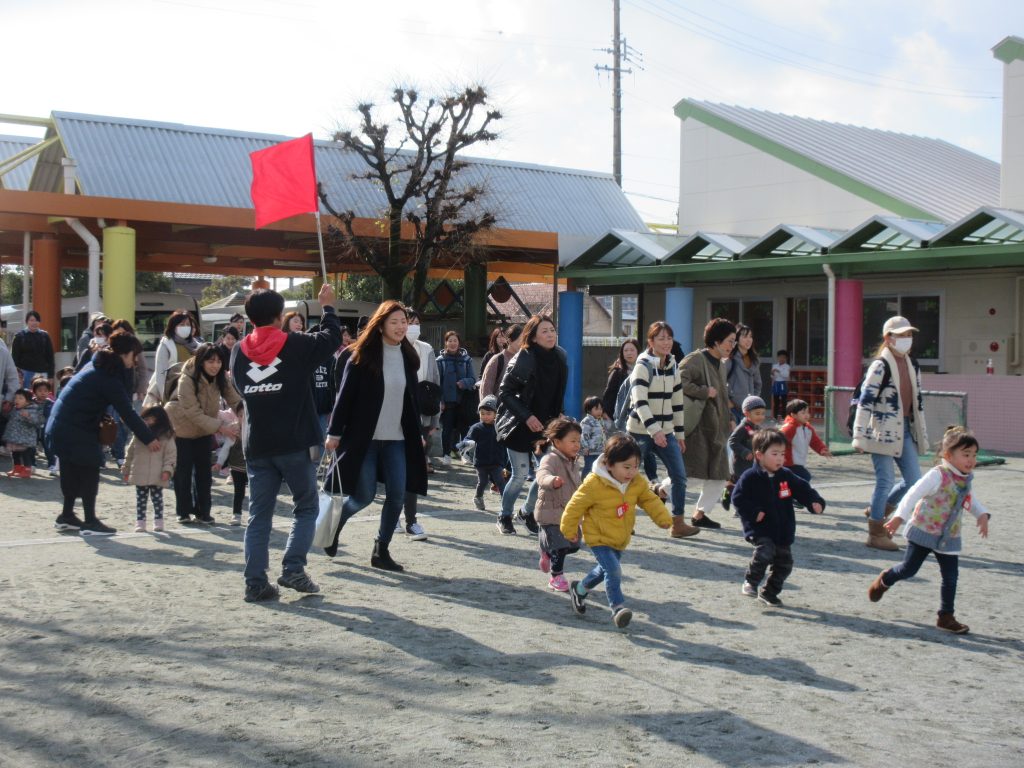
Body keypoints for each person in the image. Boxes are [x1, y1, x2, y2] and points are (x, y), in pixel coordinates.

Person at [231, 283, 342, 602]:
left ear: (251, 318)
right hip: (296, 442)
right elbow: (332, 339)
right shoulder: (295, 344)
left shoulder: (239, 350)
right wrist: (328, 307)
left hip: (258, 445)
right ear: (280, 317)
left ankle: (255, 582)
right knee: (305, 506)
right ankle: (293, 567)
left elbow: (239, 386)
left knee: (259, 514)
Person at [324, 300, 426, 573]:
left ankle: (381, 549)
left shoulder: (408, 357)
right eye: (394, 322)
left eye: (404, 322)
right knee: (364, 496)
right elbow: (344, 397)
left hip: (397, 439)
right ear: (380, 325)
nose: (401, 327)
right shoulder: (361, 355)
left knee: (397, 495)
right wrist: (334, 432)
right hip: (364, 439)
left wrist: (418, 433)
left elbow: (410, 400)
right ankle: (333, 528)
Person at [867, 427, 990, 635]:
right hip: (923, 531)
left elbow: (969, 500)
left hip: (949, 536)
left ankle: (946, 616)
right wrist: (898, 517)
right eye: (966, 455)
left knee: (951, 577)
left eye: (974, 455)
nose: (971, 460)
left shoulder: (965, 479)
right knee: (908, 569)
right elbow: (912, 494)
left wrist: (982, 514)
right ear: (948, 455)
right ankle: (886, 578)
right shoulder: (937, 475)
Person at [46, 330, 161, 535]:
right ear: (124, 354)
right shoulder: (107, 377)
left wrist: (126, 372)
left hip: (60, 425)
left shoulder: (98, 364)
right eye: (134, 356)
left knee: (71, 472)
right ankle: (90, 522)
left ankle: (67, 516)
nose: (135, 362)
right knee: (90, 470)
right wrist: (150, 438)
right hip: (75, 428)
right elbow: (128, 412)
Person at [561, 433, 673, 628]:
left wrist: (662, 518)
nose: (631, 472)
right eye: (626, 467)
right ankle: (618, 608)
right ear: (610, 464)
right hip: (598, 537)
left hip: (620, 536)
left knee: (603, 571)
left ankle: (579, 589)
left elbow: (648, 499)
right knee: (613, 570)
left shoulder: (636, 482)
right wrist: (569, 529)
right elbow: (574, 506)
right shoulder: (594, 483)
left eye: (635, 466)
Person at [852, 315, 928, 552]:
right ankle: (876, 533)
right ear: (888, 338)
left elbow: (918, 402)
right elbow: (865, 401)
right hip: (881, 430)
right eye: (902, 335)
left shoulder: (912, 364)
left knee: (915, 480)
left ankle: (879, 509)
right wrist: (859, 435)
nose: (907, 339)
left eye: (909, 335)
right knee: (884, 480)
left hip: (904, 429)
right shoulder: (880, 365)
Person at [733, 428, 825, 607]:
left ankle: (769, 593)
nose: (780, 458)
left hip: (782, 529)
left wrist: (814, 501)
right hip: (760, 527)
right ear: (759, 455)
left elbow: (804, 489)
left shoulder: (785, 475)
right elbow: (738, 498)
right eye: (774, 454)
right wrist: (753, 512)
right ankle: (751, 582)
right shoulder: (750, 477)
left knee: (785, 564)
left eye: (782, 454)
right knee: (765, 551)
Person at [495, 315, 568, 535]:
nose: (550, 334)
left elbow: (556, 393)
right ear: (533, 336)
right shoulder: (525, 357)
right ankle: (504, 515)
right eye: (544, 331)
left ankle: (526, 512)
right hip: (518, 423)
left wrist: (559, 416)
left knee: (545, 476)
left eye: (552, 330)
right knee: (519, 476)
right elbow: (505, 393)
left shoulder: (560, 356)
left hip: (546, 426)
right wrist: (527, 416)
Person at [626, 321, 697, 537]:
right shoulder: (643, 365)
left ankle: (678, 524)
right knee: (627, 477)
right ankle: (623, 521)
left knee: (679, 476)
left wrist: (679, 434)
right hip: (640, 431)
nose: (666, 342)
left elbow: (677, 402)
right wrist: (654, 431)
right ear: (651, 341)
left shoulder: (673, 364)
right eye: (661, 338)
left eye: (669, 338)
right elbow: (639, 401)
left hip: (666, 431)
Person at [165, 342, 241, 525]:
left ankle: (203, 513)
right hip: (182, 428)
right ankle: (183, 512)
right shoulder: (186, 379)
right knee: (183, 472)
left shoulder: (221, 377)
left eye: (219, 361)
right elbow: (192, 412)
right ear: (201, 362)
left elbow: (234, 398)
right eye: (211, 361)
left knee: (204, 473)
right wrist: (221, 427)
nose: (215, 365)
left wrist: (242, 414)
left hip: (205, 429)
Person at [680, 318, 737, 531]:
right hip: (699, 428)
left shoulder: (720, 364)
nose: (732, 346)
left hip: (717, 428)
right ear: (716, 341)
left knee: (720, 474)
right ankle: (661, 491)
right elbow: (679, 381)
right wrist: (703, 392)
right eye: (729, 341)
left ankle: (699, 514)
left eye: (733, 341)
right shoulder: (696, 360)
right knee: (693, 474)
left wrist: (729, 417)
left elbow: (721, 395)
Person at [399, 309, 439, 539]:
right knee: (394, 472)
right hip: (392, 421)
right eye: (407, 322)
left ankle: (410, 519)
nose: (412, 326)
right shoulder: (387, 349)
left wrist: (434, 419)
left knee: (412, 469)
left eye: (415, 322)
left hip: (420, 416)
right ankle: (393, 516)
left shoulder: (426, 350)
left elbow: (434, 384)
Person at [534, 417, 583, 593]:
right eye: (572, 441)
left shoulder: (574, 460)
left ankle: (546, 550)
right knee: (561, 546)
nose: (576, 445)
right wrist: (551, 480)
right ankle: (556, 576)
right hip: (551, 511)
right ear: (557, 441)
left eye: (578, 440)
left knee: (575, 546)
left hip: (569, 512)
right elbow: (541, 475)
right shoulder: (551, 458)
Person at [123, 405, 177, 532]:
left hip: (157, 473)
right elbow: (130, 453)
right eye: (145, 419)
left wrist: (167, 470)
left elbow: (171, 456)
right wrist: (126, 470)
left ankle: (159, 520)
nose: (146, 422)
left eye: (150, 419)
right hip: (139, 472)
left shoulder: (167, 437)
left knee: (157, 499)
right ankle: (140, 521)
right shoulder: (138, 435)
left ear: (159, 420)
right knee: (140, 499)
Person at [436, 331, 476, 464]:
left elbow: (472, 379)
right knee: (446, 429)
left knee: (464, 428)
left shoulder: (466, 360)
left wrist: (464, 383)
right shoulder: (440, 361)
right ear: (446, 343)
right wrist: (440, 400)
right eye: (450, 340)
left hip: (463, 400)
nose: (453, 343)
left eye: (455, 341)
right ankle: (446, 455)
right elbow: (437, 382)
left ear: (459, 343)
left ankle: (464, 454)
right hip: (447, 401)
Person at [145, 310, 200, 406]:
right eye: (182, 324)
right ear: (173, 326)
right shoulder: (166, 345)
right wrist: (165, 398)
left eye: (188, 324)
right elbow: (161, 374)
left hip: (193, 394)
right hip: (172, 394)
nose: (185, 327)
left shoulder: (197, 346)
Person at [723, 395, 767, 511]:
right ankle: (740, 507)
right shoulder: (743, 427)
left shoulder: (757, 427)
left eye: (762, 413)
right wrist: (745, 452)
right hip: (740, 464)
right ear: (747, 413)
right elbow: (732, 441)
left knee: (746, 485)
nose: (761, 417)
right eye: (757, 413)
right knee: (743, 486)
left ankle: (728, 491)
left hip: (752, 464)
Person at [465, 395, 506, 511]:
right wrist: (465, 444)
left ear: (495, 414)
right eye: (482, 413)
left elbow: (506, 441)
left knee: (500, 481)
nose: (485, 416)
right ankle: (478, 497)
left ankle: (506, 502)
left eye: (488, 414)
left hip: (497, 461)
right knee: (482, 481)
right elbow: (468, 439)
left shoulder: (499, 427)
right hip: (481, 462)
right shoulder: (476, 428)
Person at [778, 398, 832, 484]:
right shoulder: (789, 428)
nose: (807, 415)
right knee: (804, 477)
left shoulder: (808, 428)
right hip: (787, 463)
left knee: (800, 479)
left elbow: (814, 441)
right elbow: (777, 441)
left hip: (798, 462)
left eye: (807, 412)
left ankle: (790, 495)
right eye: (803, 413)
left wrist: (822, 449)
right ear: (793, 415)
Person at [213, 401, 248, 527]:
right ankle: (236, 515)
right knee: (239, 492)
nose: (243, 418)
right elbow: (226, 449)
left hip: (254, 467)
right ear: (237, 415)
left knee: (257, 492)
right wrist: (219, 463)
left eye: (246, 415)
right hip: (237, 467)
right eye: (240, 415)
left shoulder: (256, 430)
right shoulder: (233, 431)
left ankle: (256, 515)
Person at [726, 323, 761, 424]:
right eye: (745, 336)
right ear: (736, 339)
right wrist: (729, 402)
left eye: (750, 336)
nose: (749, 340)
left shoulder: (754, 360)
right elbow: (719, 381)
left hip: (749, 411)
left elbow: (758, 384)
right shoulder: (730, 358)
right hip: (732, 410)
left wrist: (754, 400)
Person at [3, 388, 43, 477]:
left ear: (28, 401)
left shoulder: (33, 409)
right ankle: (16, 469)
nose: (17, 400)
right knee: (15, 454)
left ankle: (27, 470)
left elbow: (37, 422)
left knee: (26, 455)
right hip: (14, 437)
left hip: (26, 439)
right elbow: (8, 418)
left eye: (20, 398)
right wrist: (5, 411)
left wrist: (28, 416)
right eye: (16, 398)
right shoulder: (14, 409)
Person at [11, 310, 55, 387]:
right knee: (27, 397)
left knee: (42, 397)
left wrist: (51, 376)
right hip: (25, 373)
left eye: (36, 320)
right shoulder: (19, 336)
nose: (34, 323)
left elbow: (50, 357)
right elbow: (14, 358)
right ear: (27, 321)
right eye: (31, 320)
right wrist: (16, 376)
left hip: (43, 373)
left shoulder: (45, 336)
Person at [479, 324, 522, 400]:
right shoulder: (497, 359)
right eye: (520, 340)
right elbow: (486, 389)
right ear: (509, 341)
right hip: (498, 409)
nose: (523, 344)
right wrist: (488, 409)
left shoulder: (524, 359)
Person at [601, 338, 641, 417]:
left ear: (638, 352)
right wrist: (606, 414)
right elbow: (609, 395)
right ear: (622, 354)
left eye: (632, 350)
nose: (629, 353)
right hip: (621, 417)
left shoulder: (645, 370)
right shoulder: (617, 373)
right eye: (625, 351)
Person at [29, 377, 57, 474]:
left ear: (49, 391)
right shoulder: (30, 402)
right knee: (31, 447)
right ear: (34, 391)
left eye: (45, 390)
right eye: (40, 390)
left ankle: (52, 465)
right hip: (33, 429)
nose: (43, 393)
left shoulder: (52, 404)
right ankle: (31, 464)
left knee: (49, 448)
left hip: (46, 429)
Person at [580, 395, 612, 477]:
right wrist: (585, 447)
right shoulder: (587, 421)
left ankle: (596, 483)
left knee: (599, 468)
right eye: (596, 409)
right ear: (589, 410)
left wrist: (607, 418)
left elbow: (608, 427)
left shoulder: (600, 420)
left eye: (601, 409)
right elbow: (583, 435)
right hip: (590, 451)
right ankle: (584, 482)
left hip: (600, 450)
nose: (599, 411)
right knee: (589, 467)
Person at [770, 350, 790, 421]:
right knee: (776, 401)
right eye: (780, 357)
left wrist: (778, 371)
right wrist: (772, 373)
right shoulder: (774, 365)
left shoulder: (787, 366)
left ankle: (784, 417)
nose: (782, 359)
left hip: (783, 383)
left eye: (783, 357)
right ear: (778, 358)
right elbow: (772, 377)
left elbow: (786, 375)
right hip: (776, 383)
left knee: (784, 401)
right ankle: (775, 417)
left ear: (786, 358)